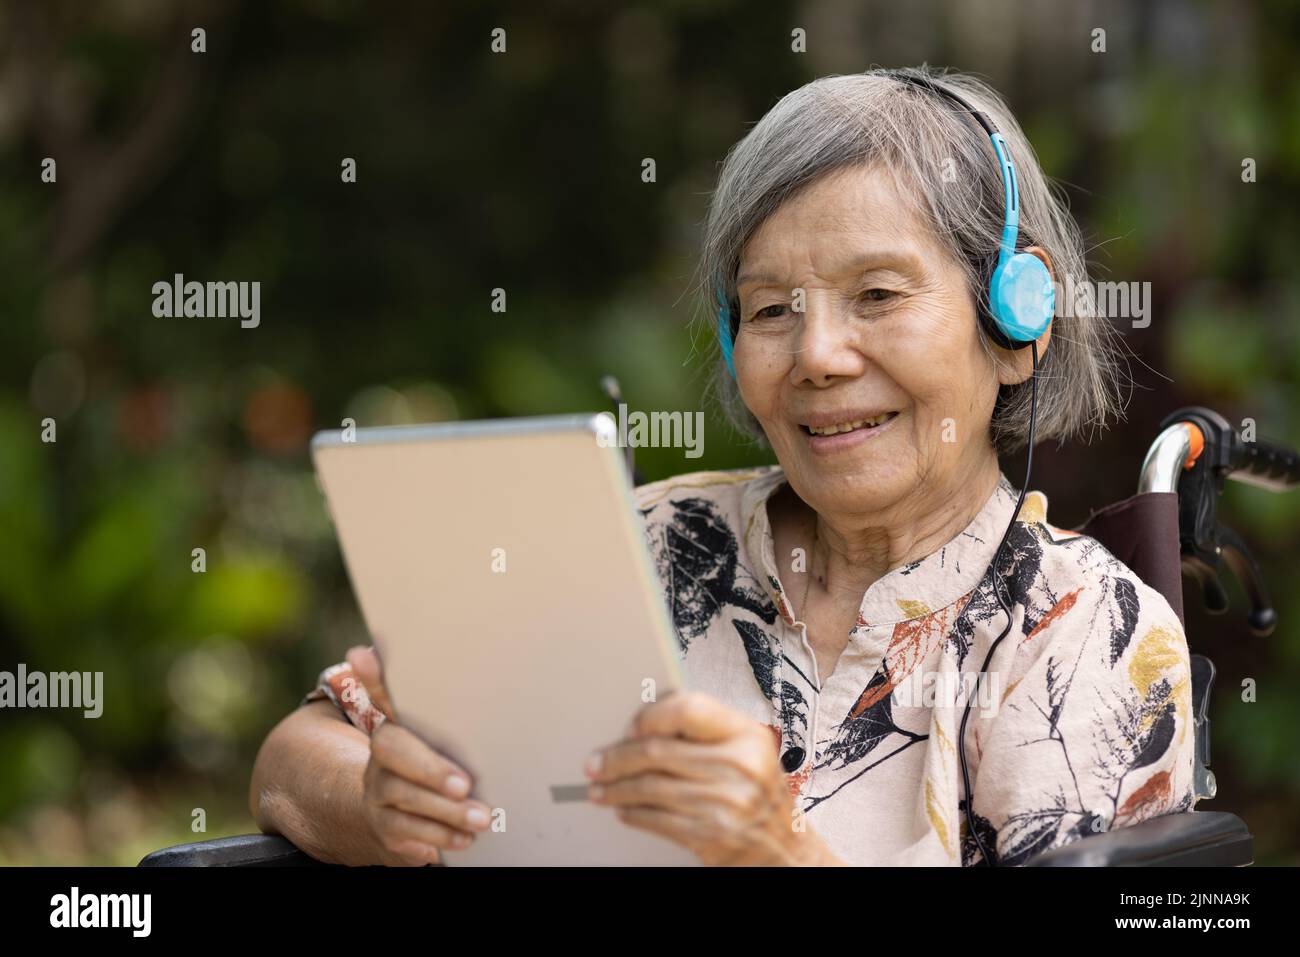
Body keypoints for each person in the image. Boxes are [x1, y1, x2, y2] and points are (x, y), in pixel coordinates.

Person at [249, 66, 1196, 866]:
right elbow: (294, 758)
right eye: (771, 308)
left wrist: (777, 854)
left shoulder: (1081, 638)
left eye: (876, 292)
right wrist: (378, 803)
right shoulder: (645, 547)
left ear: (1017, 319)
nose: (817, 355)